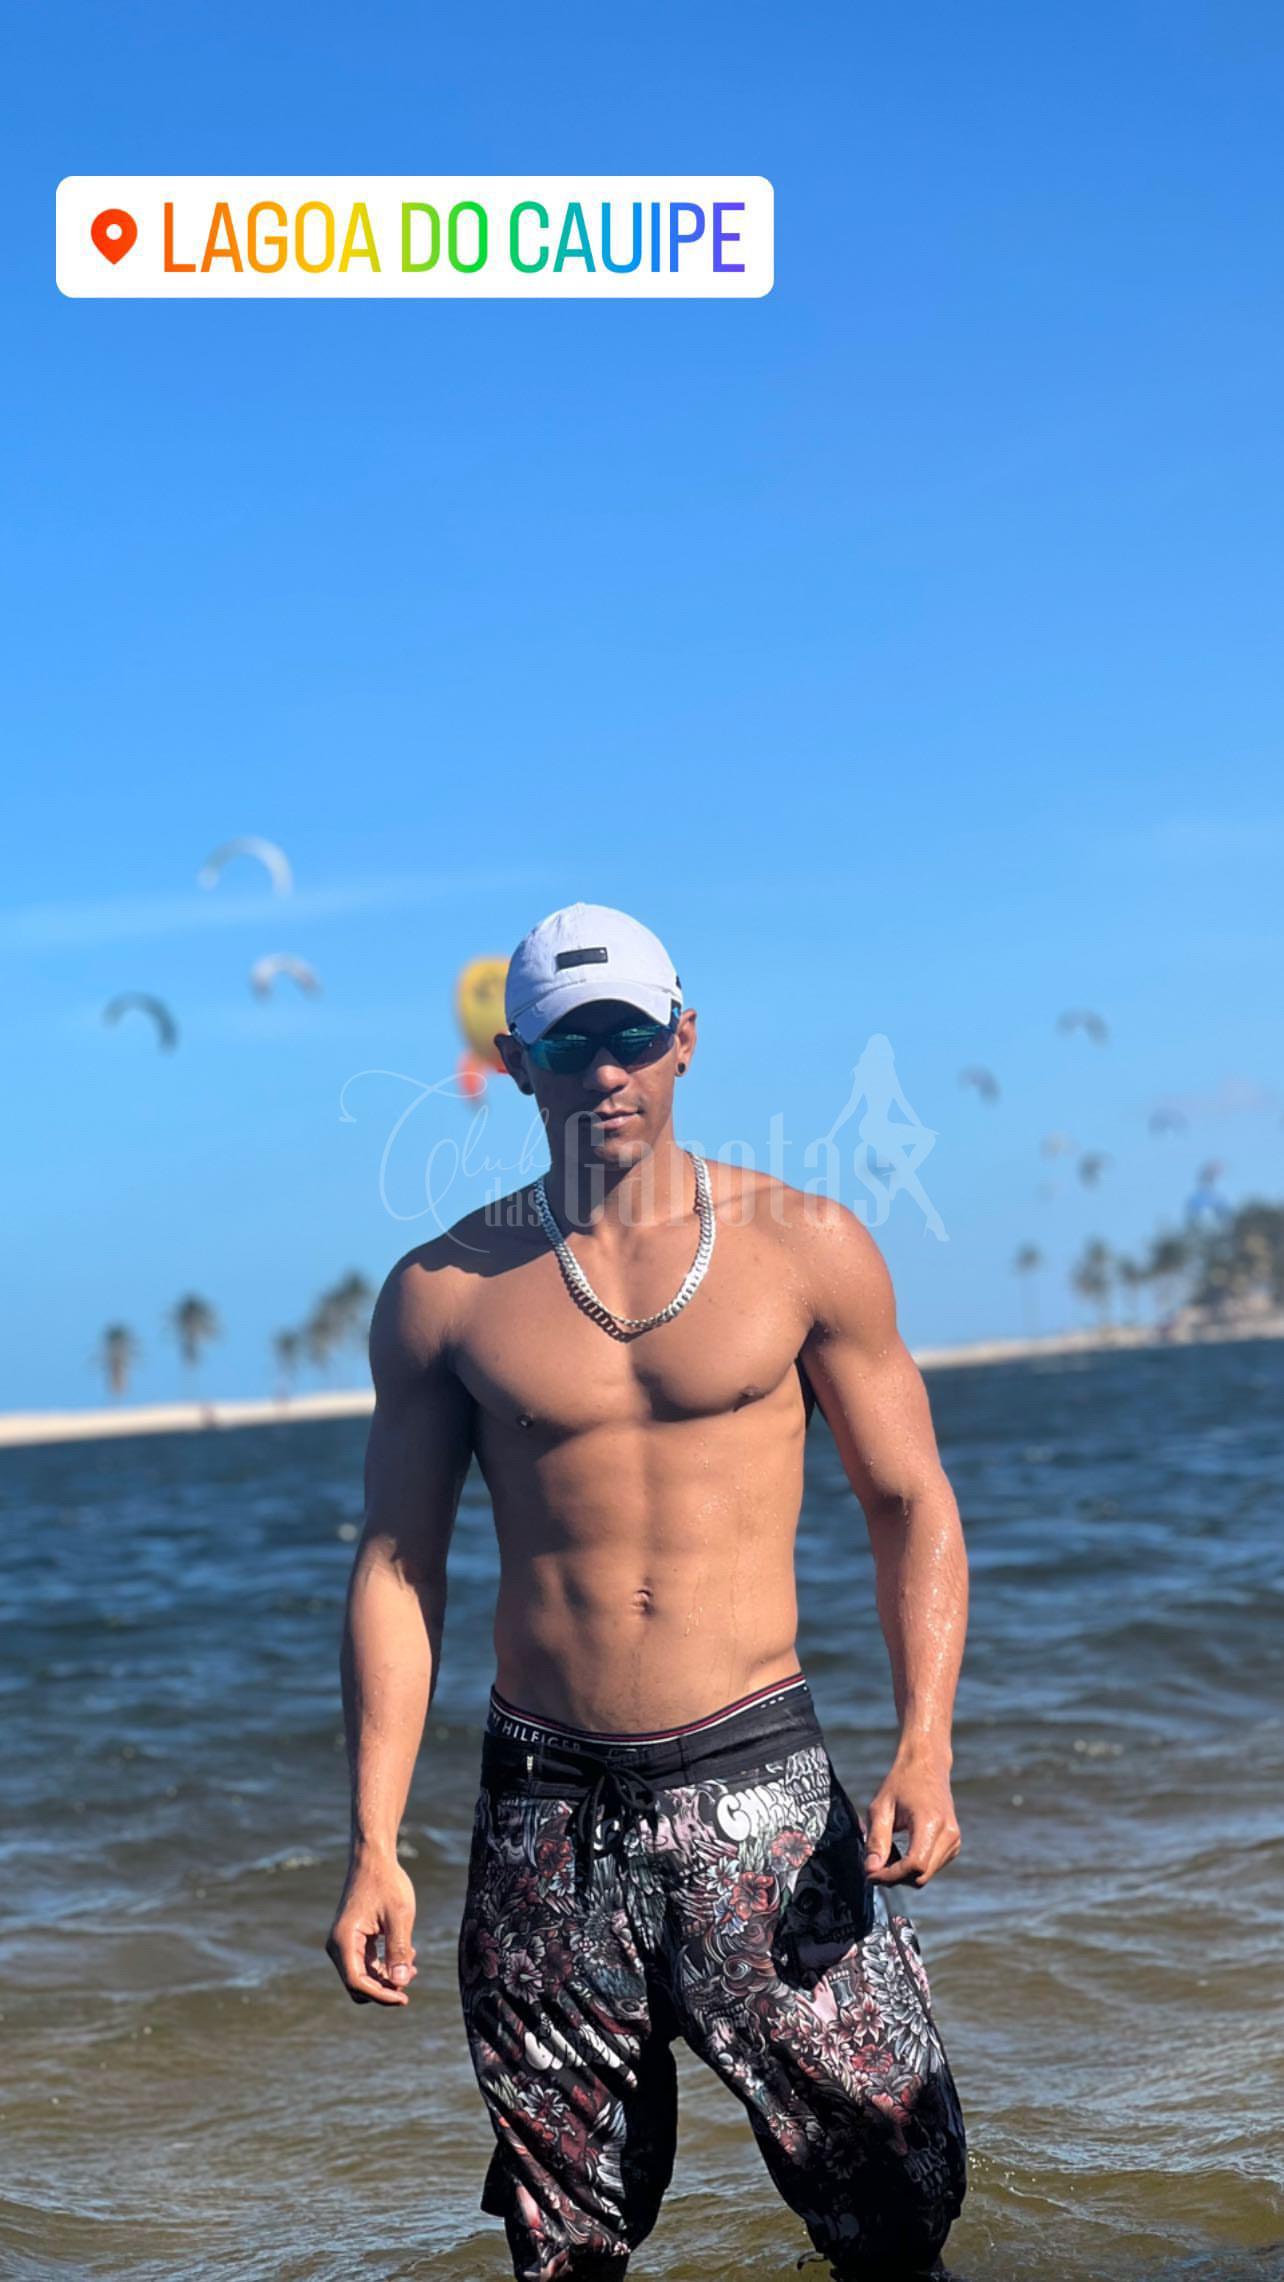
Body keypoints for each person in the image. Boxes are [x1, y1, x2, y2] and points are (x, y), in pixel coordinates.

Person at [326, 902, 970, 2282]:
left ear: (684, 1038)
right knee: (562, 2242)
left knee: (897, 2194)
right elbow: (397, 1566)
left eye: (629, 1036)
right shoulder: (442, 1292)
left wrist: (925, 1741)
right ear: (517, 1062)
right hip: (544, 1806)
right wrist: (375, 1839)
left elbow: (909, 1502)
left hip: (760, 1784)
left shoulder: (806, 1246)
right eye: (570, 1045)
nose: (605, 1071)